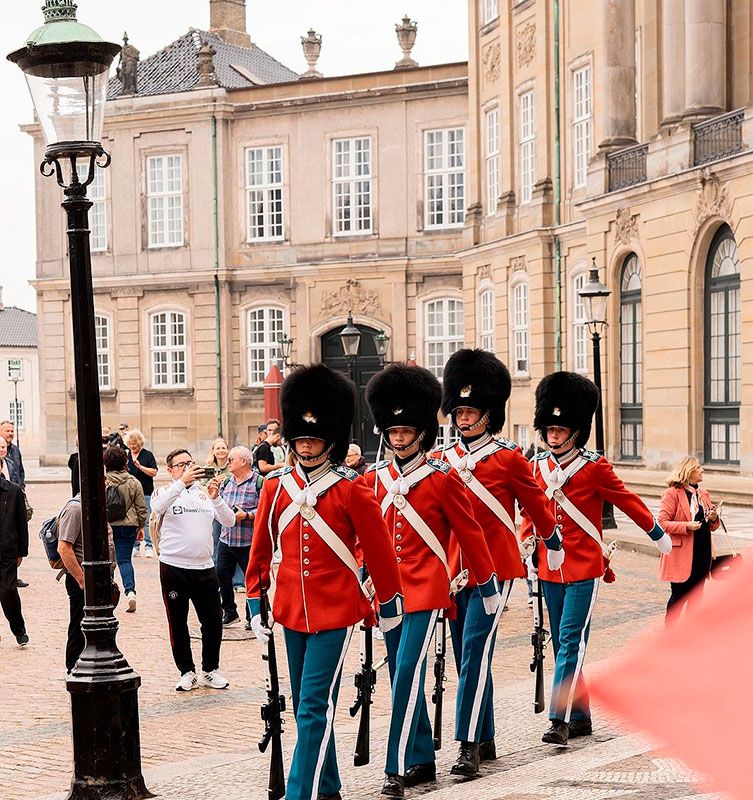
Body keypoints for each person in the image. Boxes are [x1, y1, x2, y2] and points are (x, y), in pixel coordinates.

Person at [246, 364, 403, 800]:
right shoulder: (275, 489)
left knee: (314, 706)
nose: (307, 445)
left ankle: (302, 793)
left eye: (314, 439)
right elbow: (261, 552)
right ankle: (329, 786)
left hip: (337, 610)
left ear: (330, 439)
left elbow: (379, 554)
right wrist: (256, 602)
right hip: (291, 610)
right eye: (301, 438)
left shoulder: (352, 488)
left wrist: (389, 605)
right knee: (305, 707)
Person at [365, 363, 502, 797]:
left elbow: (471, 535)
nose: (399, 437)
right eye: (394, 430)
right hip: (389, 595)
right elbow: (363, 538)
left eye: (406, 431)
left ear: (422, 432)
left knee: (406, 673)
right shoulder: (374, 479)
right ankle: (422, 757)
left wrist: (488, 585)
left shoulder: (442, 479)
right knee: (399, 678)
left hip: (428, 590)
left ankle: (396, 767)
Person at [520, 371, 672, 746]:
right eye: (549, 429)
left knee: (570, 640)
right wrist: (527, 541)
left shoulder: (593, 467)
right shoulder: (537, 467)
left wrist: (656, 532)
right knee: (560, 642)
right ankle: (583, 714)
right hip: (550, 567)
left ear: (575, 431)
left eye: (560, 429)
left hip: (585, 565)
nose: (553, 435)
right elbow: (531, 512)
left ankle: (559, 719)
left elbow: (627, 500)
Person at [439, 349, 561, 777]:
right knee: (465, 656)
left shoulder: (509, 459)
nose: (464, 417)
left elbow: (538, 507)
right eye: (459, 409)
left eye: (471, 410)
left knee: (474, 651)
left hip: (496, 568)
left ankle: (467, 745)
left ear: (489, 415)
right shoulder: (441, 462)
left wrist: (552, 540)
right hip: (455, 571)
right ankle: (485, 733)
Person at [151, 448, 235, 691]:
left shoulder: (204, 493)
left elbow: (228, 520)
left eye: (190, 463)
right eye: (181, 465)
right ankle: (186, 671)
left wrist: (216, 497)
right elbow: (157, 507)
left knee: (212, 620)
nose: (188, 468)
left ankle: (210, 669)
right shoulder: (165, 491)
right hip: (174, 567)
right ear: (171, 470)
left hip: (205, 567)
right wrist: (180, 483)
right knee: (178, 621)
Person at [57, 495, 117, 672]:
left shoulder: (95, 504)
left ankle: (96, 663)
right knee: (79, 625)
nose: (106, 482)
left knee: (102, 624)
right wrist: (82, 580)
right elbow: (64, 548)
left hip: (100, 579)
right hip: (81, 581)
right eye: (104, 477)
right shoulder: (75, 509)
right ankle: (73, 667)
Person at [658, 457, 720, 620]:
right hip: (682, 556)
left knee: (697, 598)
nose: (702, 470)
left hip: (702, 553)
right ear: (689, 471)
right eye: (698, 467)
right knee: (679, 597)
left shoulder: (703, 494)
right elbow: (663, 523)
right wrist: (686, 526)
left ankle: (690, 636)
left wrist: (713, 518)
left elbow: (712, 526)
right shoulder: (672, 494)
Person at [217, 446, 259, 627]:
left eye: (231, 459)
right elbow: (218, 504)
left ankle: (254, 616)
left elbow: (267, 510)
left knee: (253, 581)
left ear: (243, 461)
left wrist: (248, 515)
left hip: (249, 541)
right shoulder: (226, 482)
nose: (228, 462)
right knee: (221, 576)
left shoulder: (259, 482)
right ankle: (230, 611)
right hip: (226, 539)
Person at [104, 446, 146, 612]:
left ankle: (109, 595)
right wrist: (141, 526)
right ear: (125, 462)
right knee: (125, 560)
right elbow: (141, 508)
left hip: (108, 526)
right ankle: (130, 592)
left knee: (107, 562)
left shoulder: (104, 480)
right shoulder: (133, 482)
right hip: (129, 525)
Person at [0, 460, 28, 647]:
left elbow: (21, 523)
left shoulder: (14, 491)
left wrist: (22, 551)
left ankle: (19, 629)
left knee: (8, 590)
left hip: (7, 550)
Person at [126, 429, 158, 558]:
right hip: (130, 493)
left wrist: (140, 467)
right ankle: (135, 546)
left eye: (134, 444)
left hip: (146, 491)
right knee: (132, 520)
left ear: (140, 443)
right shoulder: (126, 455)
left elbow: (154, 472)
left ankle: (149, 546)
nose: (132, 447)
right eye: (130, 444)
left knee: (146, 519)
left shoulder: (147, 455)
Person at [0, 420, 25, 487]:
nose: (10, 433)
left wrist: (21, 487)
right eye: (7, 431)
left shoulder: (16, 450)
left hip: (14, 492)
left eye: (12, 431)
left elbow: (21, 471)